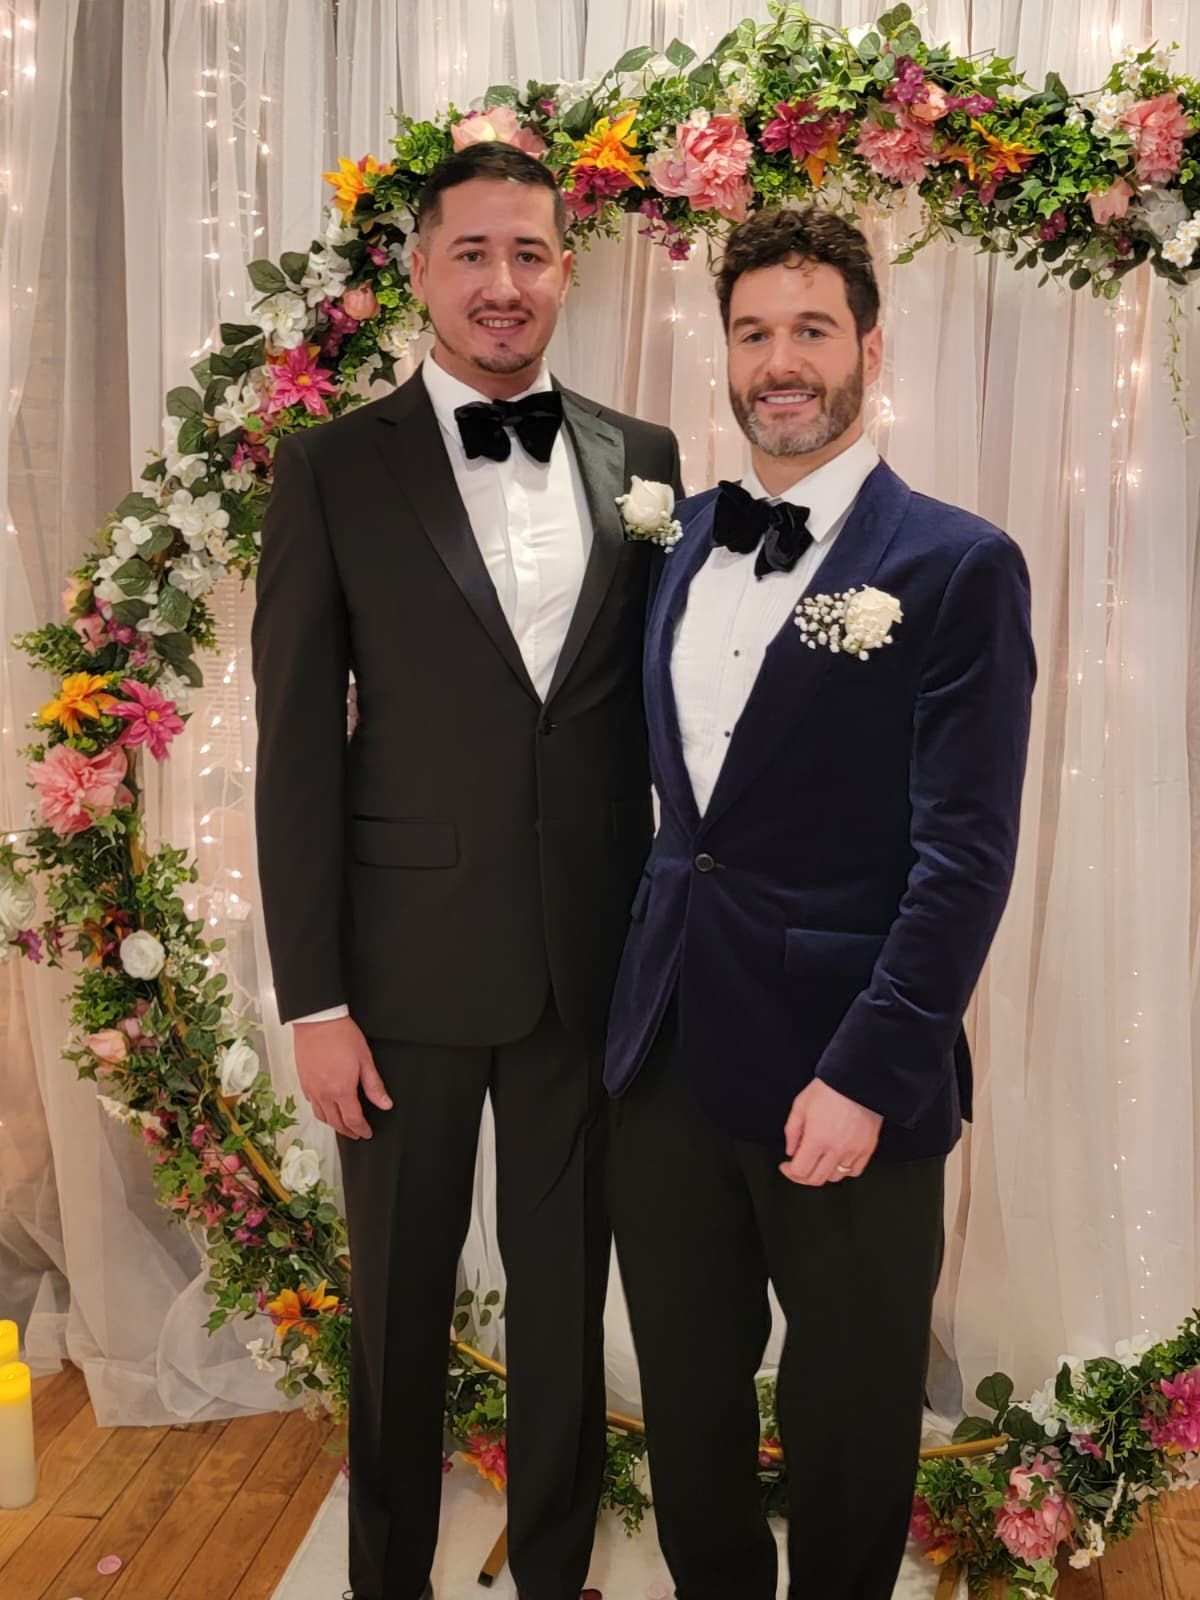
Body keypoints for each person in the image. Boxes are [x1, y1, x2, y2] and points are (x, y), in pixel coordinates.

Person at [251, 141, 682, 1600]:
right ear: (421, 272)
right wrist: (314, 999)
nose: (505, 283)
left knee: (564, 1306)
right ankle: (389, 1578)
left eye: (532, 255)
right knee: (396, 1311)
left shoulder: (647, 458)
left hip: (587, 963)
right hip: (399, 974)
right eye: (474, 254)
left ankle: (555, 1572)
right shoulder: (329, 467)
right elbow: (296, 751)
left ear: (566, 273)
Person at [604, 206, 1036, 1600]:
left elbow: (964, 859)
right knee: (687, 1396)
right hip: (667, 1050)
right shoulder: (676, 541)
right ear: (725, 354)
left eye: (810, 330)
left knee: (850, 1416)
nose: (779, 362)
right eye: (753, 333)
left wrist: (865, 1074)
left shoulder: (958, 564)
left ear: (869, 349)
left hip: (847, 1070)